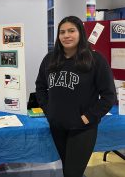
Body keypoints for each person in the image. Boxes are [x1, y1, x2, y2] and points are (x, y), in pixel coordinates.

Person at [35, 16, 116, 177]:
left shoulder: (95, 60)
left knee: (72, 173)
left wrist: (86, 118)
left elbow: (109, 96)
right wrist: (48, 111)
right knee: (69, 169)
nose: (66, 35)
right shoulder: (50, 59)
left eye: (71, 31)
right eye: (62, 32)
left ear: (80, 33)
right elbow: (40, 87)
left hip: (83, 128)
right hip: (57, 126)